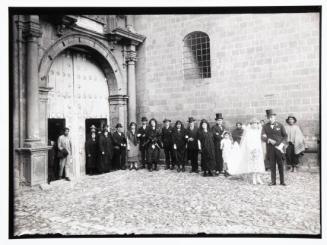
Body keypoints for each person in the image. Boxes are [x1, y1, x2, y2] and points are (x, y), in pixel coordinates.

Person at [262, 109, 288, 186]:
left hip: (279, 148)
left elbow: (285, 136)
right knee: (272, 165)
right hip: (270, 149)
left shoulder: (280, 125)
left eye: (272, 117)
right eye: (269, 117)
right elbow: (262, 137)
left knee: (280, 165)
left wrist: (282, 144)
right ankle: (273, 181)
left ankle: (282, 181)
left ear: (275, 117)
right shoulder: (265, 126)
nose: (271, 119)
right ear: (267, 118)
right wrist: (268, 139)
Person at [240, 118, 266, 184]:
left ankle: (258, 177)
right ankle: (254, 178)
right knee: (253, 164)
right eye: (253, 124)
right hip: (252, 150)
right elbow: (247, 142)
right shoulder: (249, 132)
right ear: (251, 125)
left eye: (256, 124)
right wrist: (251, 149)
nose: (255, 125)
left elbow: (262, 139)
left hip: (258, 149)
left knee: (259, 163)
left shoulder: (259, 131)